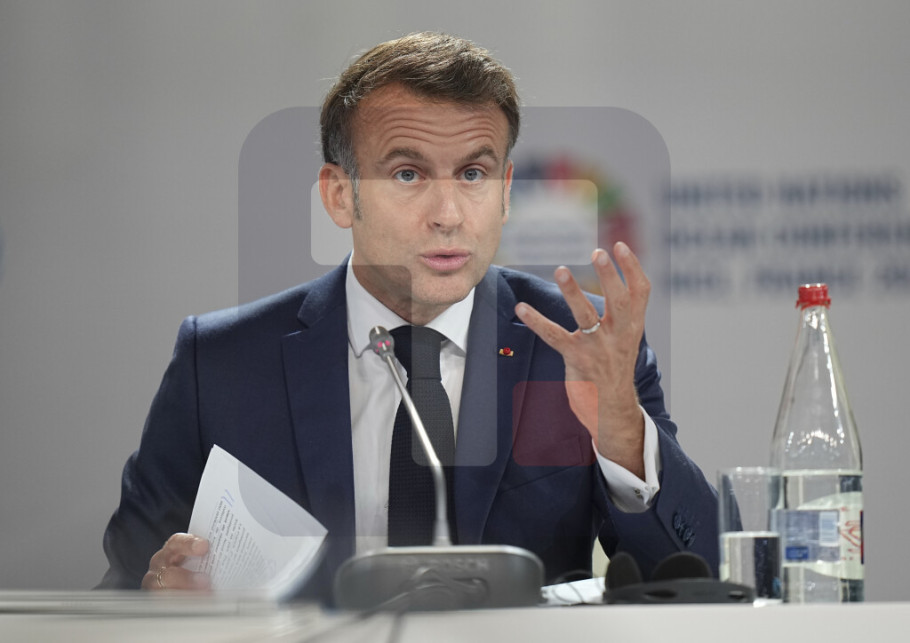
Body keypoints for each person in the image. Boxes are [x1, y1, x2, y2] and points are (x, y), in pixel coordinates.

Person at [98, 32, 718, 599]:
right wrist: (158, 602)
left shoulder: (578, 344)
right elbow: (122, 588)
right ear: (339, 195)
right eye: (407, 173)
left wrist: (622, 434)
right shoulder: (223, 362)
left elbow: (697, 577)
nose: (448, 213)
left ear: (505, 193)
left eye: (472, 173)